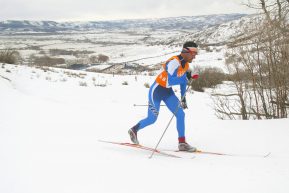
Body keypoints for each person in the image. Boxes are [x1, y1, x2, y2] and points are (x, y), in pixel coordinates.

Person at [128, 41, 199, 152]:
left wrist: (183, 98)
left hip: (167, 93)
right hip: (156, 91)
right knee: (152, 119)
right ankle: (134, 129)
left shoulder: (186, 65)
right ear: (186, 51)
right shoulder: (174, 62)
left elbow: (182, 83)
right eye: (194, 52)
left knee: (180, 114)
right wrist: (186, 77)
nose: (195, 55)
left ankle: (182, 143)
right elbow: (170, 80)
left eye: (196, 52)